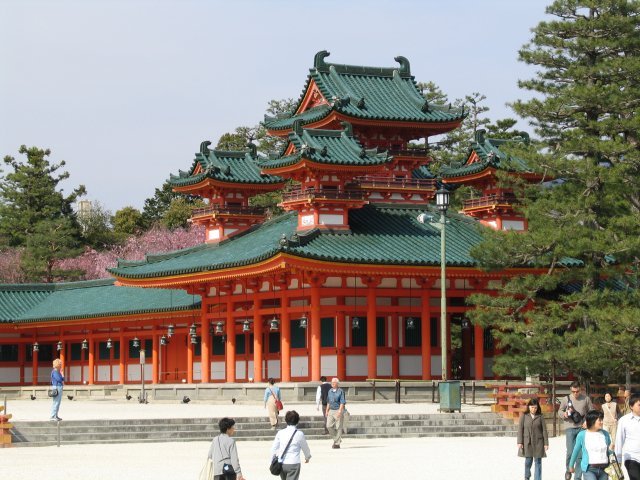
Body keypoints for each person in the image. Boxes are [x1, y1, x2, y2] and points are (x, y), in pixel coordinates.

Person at [560, 381, 594, 480]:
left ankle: (578, 477)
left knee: (580, 453)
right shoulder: (565, 399)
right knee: (570, 451)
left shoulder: (586, 399)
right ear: (571, 390)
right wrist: (564, 414)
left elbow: (591, 411)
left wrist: (587, 422)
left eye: (577, 391)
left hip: (581, 428)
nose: (575, 393)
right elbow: (559, 411)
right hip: (569, 426)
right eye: (573, 391)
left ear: (580, 389)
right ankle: (568, 470)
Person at [569, 410, 612, 480]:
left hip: (604, 469)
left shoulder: (605, 434)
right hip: (589, 469)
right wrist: (571, 465)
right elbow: (575, 451)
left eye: (602, 420)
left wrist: (612, 451)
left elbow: (608, 451)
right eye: (600, 420)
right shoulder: (582, 435)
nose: (602, 422)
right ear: (592, 421)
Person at [270, 410, 311, 480]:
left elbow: (274, 448)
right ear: (297, 421)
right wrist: (307, 457)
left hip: (282, 462)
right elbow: (305, 448)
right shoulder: (299, 434)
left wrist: (272, 460)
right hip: (294, 462)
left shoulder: (280, 433)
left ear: (286, 420)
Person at [517, 397, 549, 480]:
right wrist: (519, 442)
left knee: (538, 462)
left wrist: (546, 443)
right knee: (528, 461)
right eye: (532, 407)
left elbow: (544, 430)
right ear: (528, 407)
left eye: (535, 407)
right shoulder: (524, 416)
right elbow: (520, 429)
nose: (534, 409)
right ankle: (527, 476)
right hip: (527, 441)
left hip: (538, 442)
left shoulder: (540, 416)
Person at [615, 392, 640, 480]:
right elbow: (619, 440)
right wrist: (618, 459)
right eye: (639, 405)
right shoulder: (624, 420)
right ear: (631, 406)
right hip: (631, 458)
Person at [325, 377, 346, 449]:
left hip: (338, 410)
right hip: (331, 410)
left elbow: (342, 401)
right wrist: (327, 410)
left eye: (334, 383)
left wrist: (340, 410)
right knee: (329, 426)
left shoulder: (341, 391)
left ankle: (337, 443)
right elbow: (328, 401)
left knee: (338, 427)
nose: (332, 384)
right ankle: (337, 439)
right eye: (332, 382)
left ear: (337, 384)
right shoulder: (330, 391)